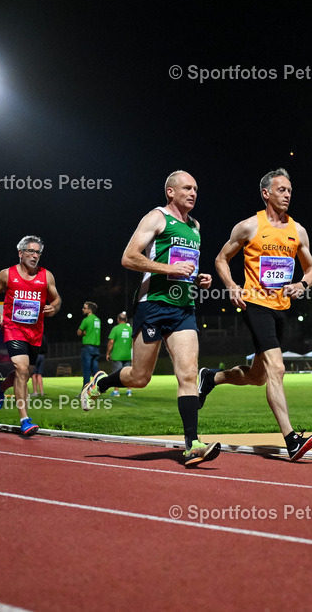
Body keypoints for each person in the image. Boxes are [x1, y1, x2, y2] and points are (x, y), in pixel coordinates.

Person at [80, 170, 219, 466]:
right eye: (186, 188)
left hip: (183, 308)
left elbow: (185, 267)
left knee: (188, 374)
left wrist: (196, 279)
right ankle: (102, 383)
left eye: (196, 188)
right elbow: (129, 257)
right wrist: (167, 270)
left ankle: (192, 443)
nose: (193, 193)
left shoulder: (195, 226)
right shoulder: (156, 217)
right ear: (170, 192)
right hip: (153, 305)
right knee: (140, 378)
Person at [198, 168, 312, 461]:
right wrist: (231, 286)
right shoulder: (249, 227)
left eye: (289, 190)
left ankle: (211, 378)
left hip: (281, 309)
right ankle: (291, 440)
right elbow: (221, 259)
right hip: (255, 305)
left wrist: (302, 284)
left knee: (258, 377)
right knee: (277, 369)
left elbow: (311, 270)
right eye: (281, 190)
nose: (287, 195)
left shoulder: (297, 231)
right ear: (266, 193)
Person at [0, 235, 61, 435]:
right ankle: (25, 420)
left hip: (35, 332)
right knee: (21, 367)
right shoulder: (7, 274)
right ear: (21, 253)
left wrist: (54, 307)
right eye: (31, 251)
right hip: (13, 328)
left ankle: (1, 387)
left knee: (25, 374)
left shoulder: (47, 276)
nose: (35, 255)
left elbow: (57, 298)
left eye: (38, 252)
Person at [105, 311, 133, 396]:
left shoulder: (115, 329)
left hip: (117, 355)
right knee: (128, 374)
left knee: (116, 374)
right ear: (126, 320)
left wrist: (108, 353)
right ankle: (129, 391)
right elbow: (133, 343)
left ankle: (116, 391)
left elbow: (111, 341)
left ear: (118, 319)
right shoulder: (130, 329)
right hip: (128, 355)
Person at [77, 302, 101, 385]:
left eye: (84, 308)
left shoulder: (86, 320)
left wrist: (83, 332)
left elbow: (78, 332)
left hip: (87, 347)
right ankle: (96, 389)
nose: (82, 309)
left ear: (89, 310)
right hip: (96, 348)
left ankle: (85, 391)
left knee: (86, 370)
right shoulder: (98, 320)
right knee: (95, 370)